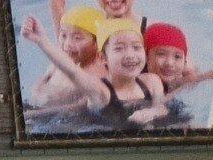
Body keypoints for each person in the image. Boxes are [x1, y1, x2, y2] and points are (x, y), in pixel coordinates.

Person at [21, 14, 167, 129]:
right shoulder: (101, 91)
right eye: (119, 48)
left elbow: (161, 108)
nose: (130, 55)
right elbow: (72, 71)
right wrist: (42, 41)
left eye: (136, 47)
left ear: (144, 51)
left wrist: (151, 112)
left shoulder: (152, 81)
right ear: (103, 57)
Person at [28, 4, 106, 108]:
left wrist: (34, 114)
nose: (67, 44)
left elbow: (78, 107)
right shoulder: (59, 63)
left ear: (98, 43)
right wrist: (35, 94)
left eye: (77, 38)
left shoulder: (97, 76)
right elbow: (43, 78)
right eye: (63, 35)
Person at [143, 22, 213, 95]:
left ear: (185, 62)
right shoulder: (141, 83)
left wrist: (203, 76)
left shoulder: (175, 83)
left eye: (177, 57)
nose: (169, 63)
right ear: (146, 56)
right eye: (161, 54)